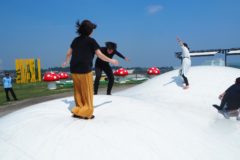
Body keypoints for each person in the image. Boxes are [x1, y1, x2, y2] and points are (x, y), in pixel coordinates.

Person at [62, 20, 119, 119]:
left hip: (74, 69)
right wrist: (111, 60)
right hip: (85, 69)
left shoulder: (75, 40)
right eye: (92, 29)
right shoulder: (91, 41)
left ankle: (78, 110)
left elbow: (68, 53)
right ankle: (86, 112)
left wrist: (66, 62)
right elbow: (100, 55)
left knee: (78, 91)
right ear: (89, 31)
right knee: (87, 91)